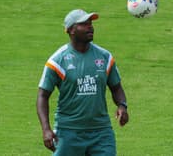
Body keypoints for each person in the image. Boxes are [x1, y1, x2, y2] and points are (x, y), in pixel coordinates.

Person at [37, 9, 129, 156]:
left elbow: (116, 87)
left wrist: (122, 106)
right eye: (84, 24)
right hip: (68, 132)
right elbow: (42, 96)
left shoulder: (104, 57)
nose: (90, 27)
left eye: (91, 23)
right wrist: (46, 129)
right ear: (71, 30)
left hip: (101, 132)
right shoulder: (57, 61)